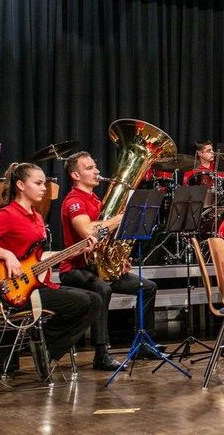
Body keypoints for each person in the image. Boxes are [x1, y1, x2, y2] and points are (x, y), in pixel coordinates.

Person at [0, 163, 100, 375]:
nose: (43, 188)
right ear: (20, 185)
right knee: (85, 301)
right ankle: (45, 346)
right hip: (17, 290)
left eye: (44, 183)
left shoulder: (37, 216)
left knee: (95, 300)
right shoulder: (8, 214)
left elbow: (39, 258)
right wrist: (7, 254)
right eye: (38, 183)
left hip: (38, 284)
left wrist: (75, 251)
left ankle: (46, 346)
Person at [59, 152, 160, 371]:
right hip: (76, 268)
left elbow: (108, 239)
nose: (96, 171)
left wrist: (119, 258)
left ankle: (144, 344)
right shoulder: (74, 201)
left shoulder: (96, 200)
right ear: (75, 175)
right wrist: (118, 219)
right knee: (102, 290)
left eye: (95, 166)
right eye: (89, 168)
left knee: (148, 287)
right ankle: (101, 353)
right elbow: (87, 230)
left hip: (98, 267)